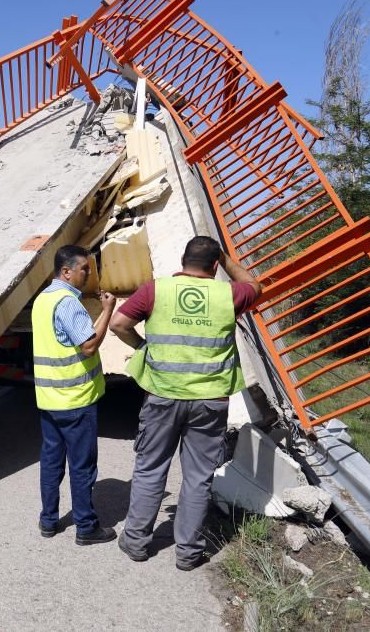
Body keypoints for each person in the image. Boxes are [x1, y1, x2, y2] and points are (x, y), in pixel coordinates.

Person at [110, 236, 261, 570]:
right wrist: (226, 258)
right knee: (198, 478)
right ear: (214, 265)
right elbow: (254, 284)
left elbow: (118, 324)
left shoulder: (155, 290)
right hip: (210, 402)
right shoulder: (229, 295)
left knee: (150, 469)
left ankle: (136, 542)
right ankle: (188, 552)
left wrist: (142, 348)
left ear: (182, 260)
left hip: (162, 396)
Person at [32, 245, 118, 545]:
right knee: (82, 466)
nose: (88, 275)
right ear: (66, 271)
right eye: (85, 269)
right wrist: (107, 311)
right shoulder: (68, 303)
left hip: (50, 398)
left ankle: (48, 521)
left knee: (52, 462)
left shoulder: (43, 300)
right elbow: (89, 346)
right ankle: (86, 527)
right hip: (75, 400)